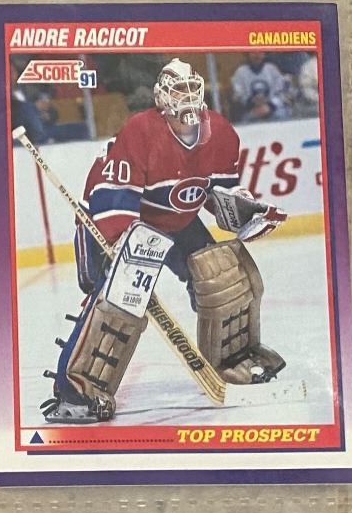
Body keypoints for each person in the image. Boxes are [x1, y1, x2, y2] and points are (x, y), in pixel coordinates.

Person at [40, 58, 288, 426]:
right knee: (118, 299)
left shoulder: (221, 132)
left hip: (176, 219)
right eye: (178, 89)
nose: (186, 97)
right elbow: (113, 194)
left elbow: (217, 192)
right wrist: (121, 244)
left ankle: (232, 361)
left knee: (222, 277)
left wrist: (245, 210)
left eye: (191, 89)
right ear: (161, 97)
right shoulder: (141, 130)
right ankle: (76, 391)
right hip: (116, 217)